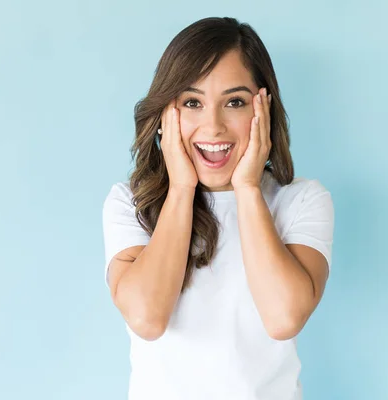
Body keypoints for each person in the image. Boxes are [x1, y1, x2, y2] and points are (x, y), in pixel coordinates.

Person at [101, 17, 334, 400]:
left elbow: (283, 318)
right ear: (166, 115)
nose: (213, 126)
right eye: (193, 102)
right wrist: (180, 188)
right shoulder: (131, 203)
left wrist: (246, 187)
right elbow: (147, 317)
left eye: (235, 102)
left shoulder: (302, 201)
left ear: (263, 110)